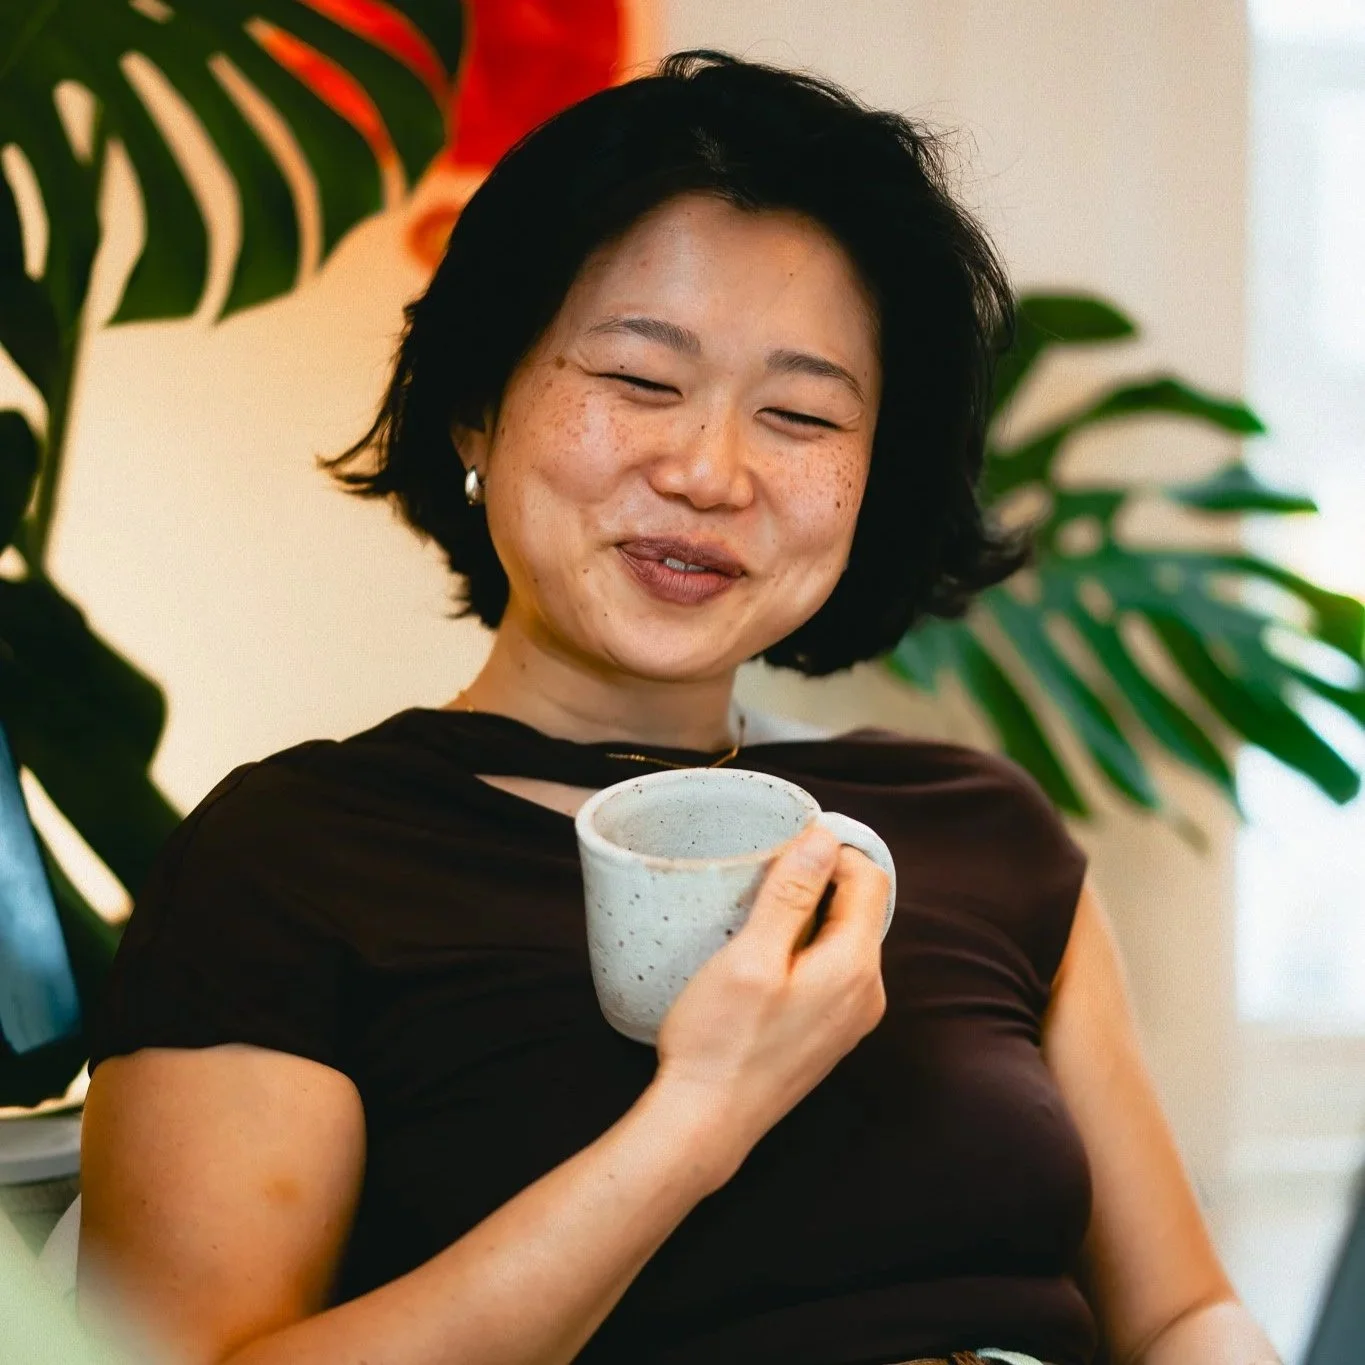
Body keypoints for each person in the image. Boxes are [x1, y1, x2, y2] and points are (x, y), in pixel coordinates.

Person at [76, 50, 1281, 1365]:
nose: (711, 471)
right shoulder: (295, 862)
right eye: (641, 382)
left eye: (803, 414)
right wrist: (702, 1114)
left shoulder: (980, 830)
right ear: (478, 406)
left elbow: (1181, 1314)